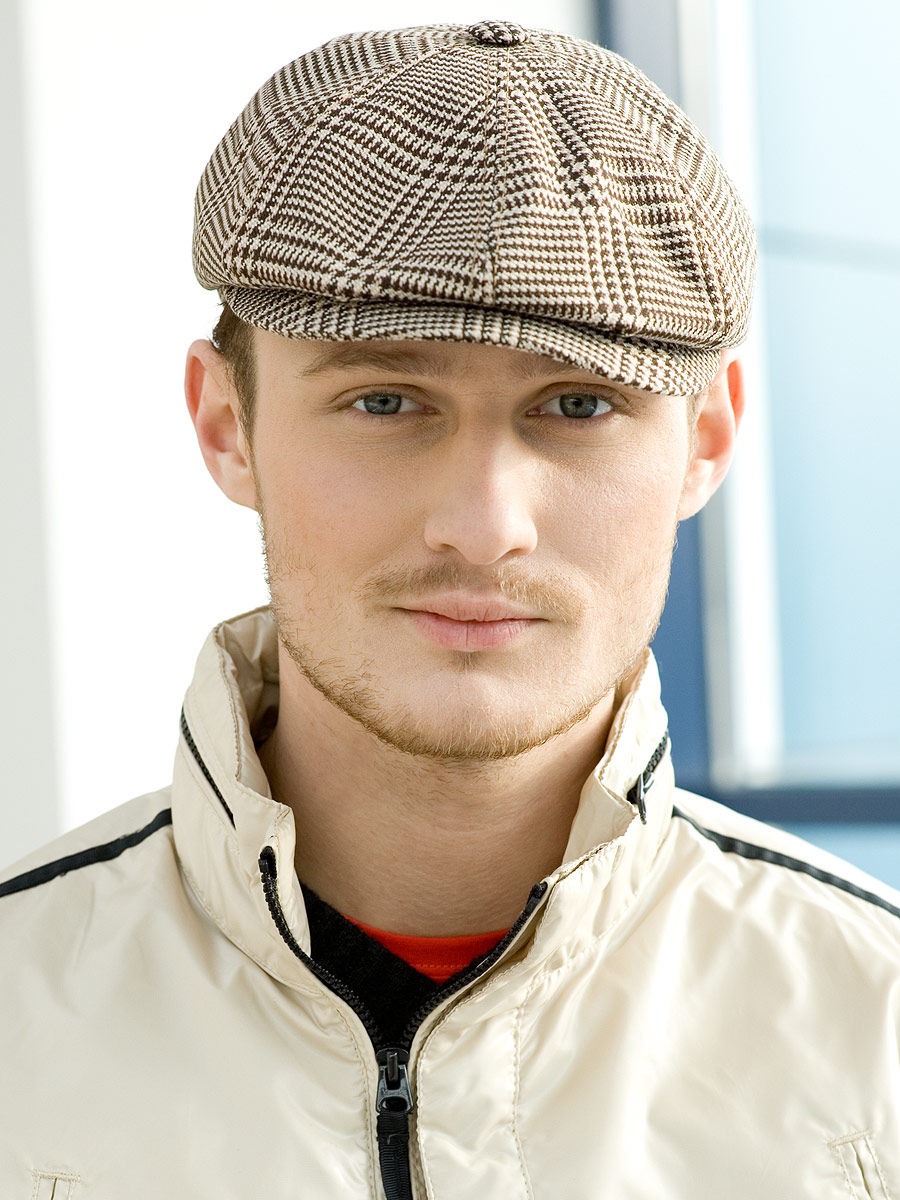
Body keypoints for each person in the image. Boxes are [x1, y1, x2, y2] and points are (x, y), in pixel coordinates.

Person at [1, 20, 898, 1199]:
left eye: (578, 406)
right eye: (385, 401)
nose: (483, 526)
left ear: (707, 440)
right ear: (226, 424)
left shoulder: (879, 1031)